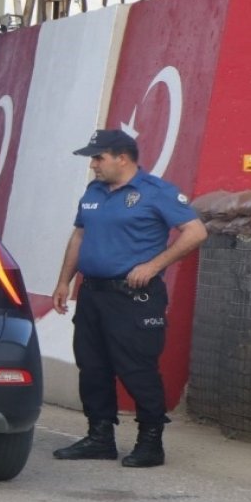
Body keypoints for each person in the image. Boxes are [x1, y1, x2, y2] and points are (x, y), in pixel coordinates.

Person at [51, 128, 207, 468]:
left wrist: (153, 265)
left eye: (98, 157)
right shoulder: (94, 192)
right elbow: (80, 235)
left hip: (134, 298)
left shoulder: (155, 192)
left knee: (136, 369)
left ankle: (150, 443)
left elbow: (196, 232)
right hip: (93, 294)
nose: (92, 164)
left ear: (122, 157)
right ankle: (100, 437)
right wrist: (64, 281)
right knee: (92, 368)